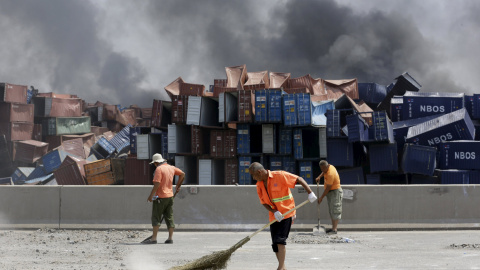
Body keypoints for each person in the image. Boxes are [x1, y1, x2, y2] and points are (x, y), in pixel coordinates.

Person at [249, 162, 317, 270]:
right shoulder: (259, 185)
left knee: (280, 240)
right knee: (275, 244)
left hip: (287, 213)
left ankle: (280, 268)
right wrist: (274, 211)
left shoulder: (280, 175)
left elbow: (298, 179)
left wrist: (310, 192)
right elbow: (264, 202)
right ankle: (283, 267)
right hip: (274, 216)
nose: (253, 178)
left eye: (253, 175)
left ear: (259, 172)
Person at [141, 153, 185, 244]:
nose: (154, 165)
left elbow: (157, 183)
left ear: (156, 162)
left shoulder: (159, 169)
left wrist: (150, 196)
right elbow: (182, 174)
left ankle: (154, 239)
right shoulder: (171, 167)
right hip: (170, 197)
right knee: (169, 217)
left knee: (156, 217)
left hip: (160, 197)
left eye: (154, 163)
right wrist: (178, 185)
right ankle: (170, 238)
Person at [315, 160, 343, 234]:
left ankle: (334, 229)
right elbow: (324, 172)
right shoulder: (329, 166)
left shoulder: (331, 173)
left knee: (335, 210)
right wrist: (319, 176)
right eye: (321, 169)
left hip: (335, 192)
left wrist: (321, 198)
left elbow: (328, 188)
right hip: (331, 192)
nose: (323, 170)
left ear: (327, 166)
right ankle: (333, 228)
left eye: (324, 168)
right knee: (332, 210)